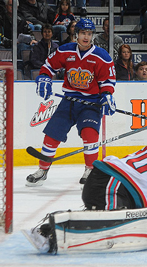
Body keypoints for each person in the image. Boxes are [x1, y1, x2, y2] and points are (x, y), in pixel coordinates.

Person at [26, 18, 116, 186]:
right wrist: (44, 77)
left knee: (90, 134)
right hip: (69, 101)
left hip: (91, 103)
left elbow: (108, 81)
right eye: (83, 33)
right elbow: (48, 66)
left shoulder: (101, 57)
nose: (86, 37)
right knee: (52, 135)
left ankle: (90, 169)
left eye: (89, 34)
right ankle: (43, 170)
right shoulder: (65, 51)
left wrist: (107, 95)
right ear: (76, 34)